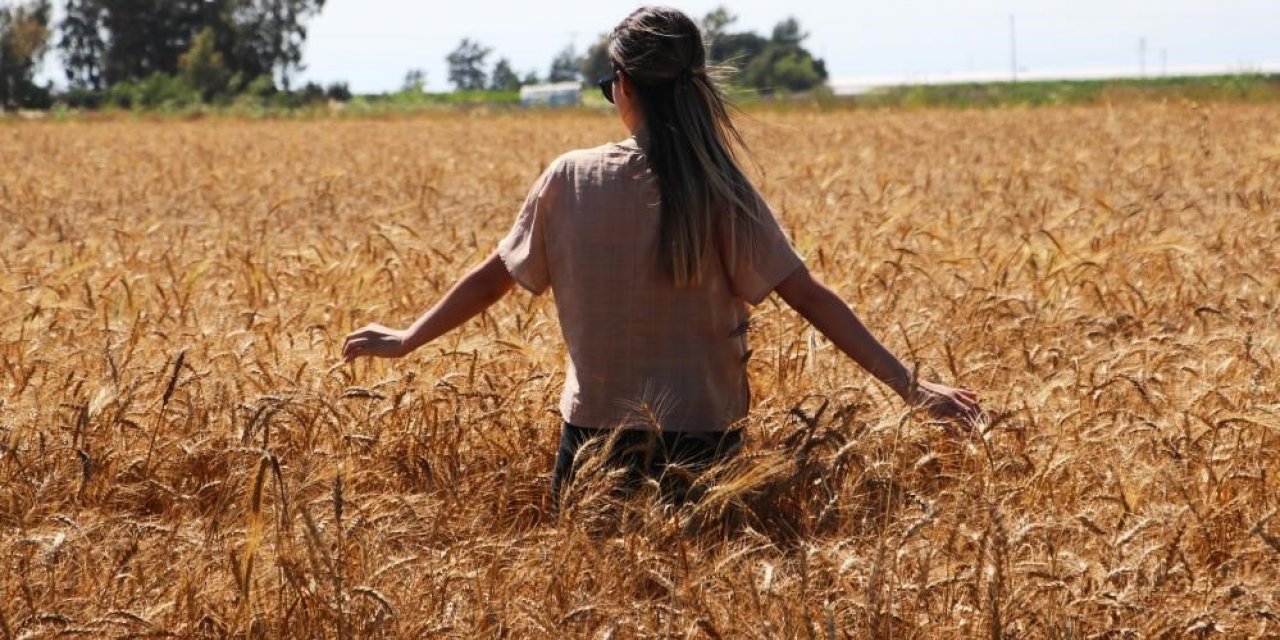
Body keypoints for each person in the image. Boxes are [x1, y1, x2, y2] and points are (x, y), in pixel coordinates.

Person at [342, 6, 981, 504]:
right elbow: (808, 295)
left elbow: (492, 278)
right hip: (705, 446)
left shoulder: (569, 177)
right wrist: (913, 388)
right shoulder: (721, 187)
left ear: (622, 84)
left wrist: (407, 339)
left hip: (594, 441)